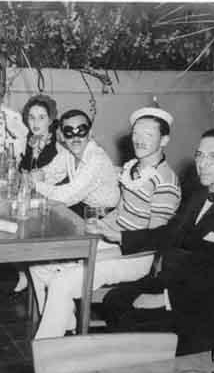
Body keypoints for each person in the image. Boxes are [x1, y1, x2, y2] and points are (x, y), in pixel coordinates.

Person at [92, 128, 214, 355]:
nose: (202, 163)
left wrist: (166, 299)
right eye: (199, 155)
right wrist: (121, 237)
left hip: (201, 303)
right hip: (174, 280)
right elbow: (170, 232)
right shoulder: (200, 194)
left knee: (131, 317)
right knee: (114, 300)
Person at [29, 107, 181, 339]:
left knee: (62, 282)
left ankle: (48, 346)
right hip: (112, 243)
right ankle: (66, 326)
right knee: (40, 265)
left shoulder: (165, 182)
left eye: (148, 135)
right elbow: (121, 211)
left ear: (164, 140)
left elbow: (155, 240)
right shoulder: (134, 168)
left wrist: (109, 246)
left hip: (135, 258)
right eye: (136, 134)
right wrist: (100, 227)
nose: (139, 140)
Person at [13, 94, 66, 295]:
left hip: (56, 202)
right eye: (31, 117)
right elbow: (23, 168)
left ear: (51, 120)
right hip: (36, 196)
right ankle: (24, 271)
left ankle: (36, 275)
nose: (35, 122)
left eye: (41, 117)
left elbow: (56, 176)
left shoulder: (59, 142)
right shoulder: (31, 140)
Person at [31, 109, 120, 214]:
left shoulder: (97, 159)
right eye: (69, 132)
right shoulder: (68, 153)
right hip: (81, 206)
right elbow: (50, 172)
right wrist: (34, 177)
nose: (75, 138)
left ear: (90, 134)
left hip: (104, 215)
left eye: (81, 131)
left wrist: (35, 185)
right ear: (62, 136)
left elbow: (68, 196)